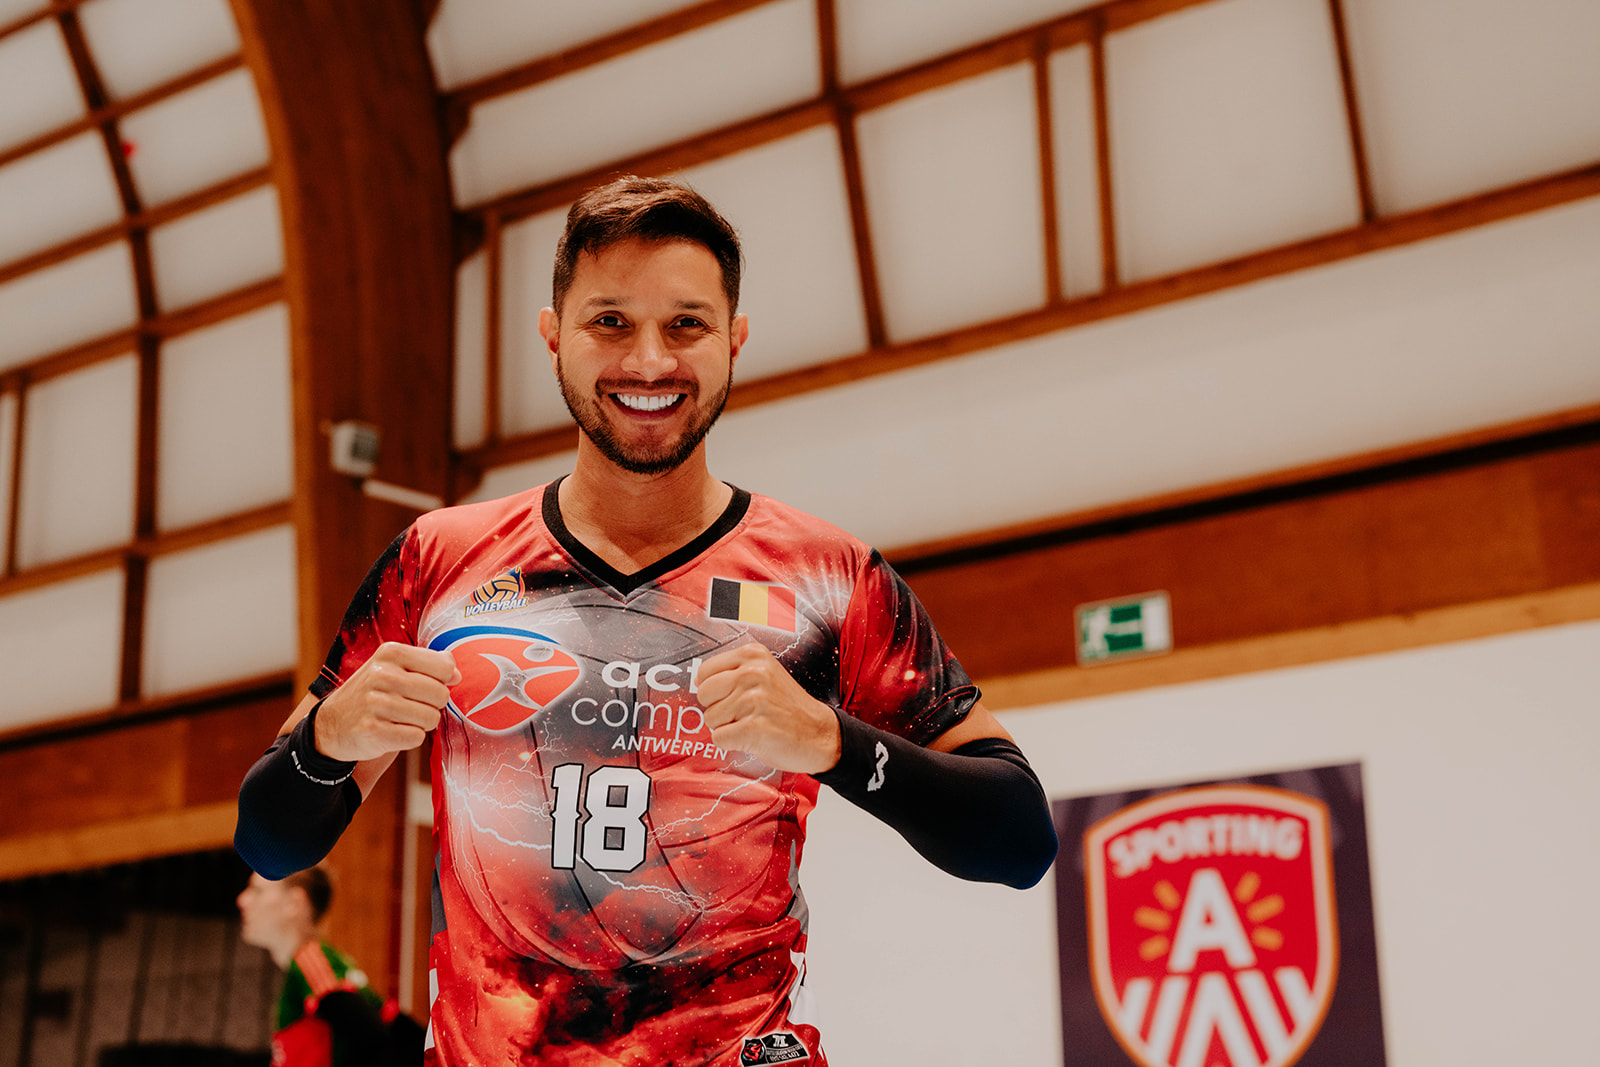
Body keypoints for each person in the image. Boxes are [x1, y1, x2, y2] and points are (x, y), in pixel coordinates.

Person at [236, 176, 1058, 1066]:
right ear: (553, 337)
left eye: (687, 324)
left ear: (735, 339)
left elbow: (1019, 839)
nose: (651, 361)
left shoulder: (828, 577)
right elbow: (269, 841)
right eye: (611, 322)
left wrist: (833, 742)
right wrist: (328, 739)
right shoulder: (438, 562)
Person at [236, 866, 414, 1066]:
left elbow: (376, 1038)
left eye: (257, 891)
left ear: (295, 903)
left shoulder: (311, 962)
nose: (242, 900)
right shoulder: (310, 965)